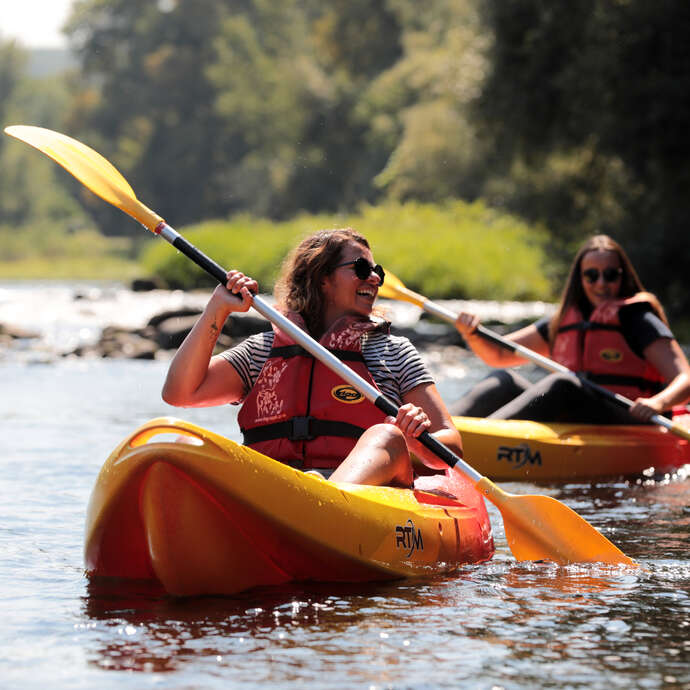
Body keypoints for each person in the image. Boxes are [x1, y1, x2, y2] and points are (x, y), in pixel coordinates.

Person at [162, 228, 457, 486]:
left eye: (376, 271)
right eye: (361, 268)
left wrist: (415, 438)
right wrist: (217, 309)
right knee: (187, 443)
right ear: (322, 279)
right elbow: (180, 393)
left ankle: (325, 497)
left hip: (360, 499)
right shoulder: (264, 350)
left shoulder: (394, 352)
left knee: (387, 436)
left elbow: (451, 445)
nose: (375, 279)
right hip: (274, 488)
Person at [451, 234, 690, 423]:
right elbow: (499, 355)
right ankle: (440, 433)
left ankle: (476, 445)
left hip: (629, 417)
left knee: (564, 384)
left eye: (610, 275)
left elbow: (685, 378)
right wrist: (471, 333)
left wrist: (658, 403)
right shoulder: (563, 321)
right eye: (591, 275)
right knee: (502, 381)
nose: (601, 283)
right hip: (579, 414)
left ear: (622, 276)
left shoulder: (638, 319)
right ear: (580, 278)